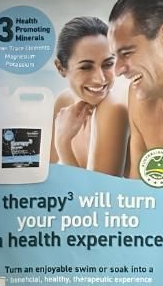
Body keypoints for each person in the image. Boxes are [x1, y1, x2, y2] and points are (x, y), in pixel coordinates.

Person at [108, 0, 163, 176]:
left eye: (127, 53)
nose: (118, 70)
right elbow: (138, 195)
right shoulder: (138, 99)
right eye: (115, 57)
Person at [50, 15, 130, 177]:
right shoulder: (64, 101)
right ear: (60, 68)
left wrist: (63, 144)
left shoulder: (113, 108)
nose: (100, 79)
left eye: (108, 64)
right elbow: (50, 177)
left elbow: (96, 196)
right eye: (86, 67)